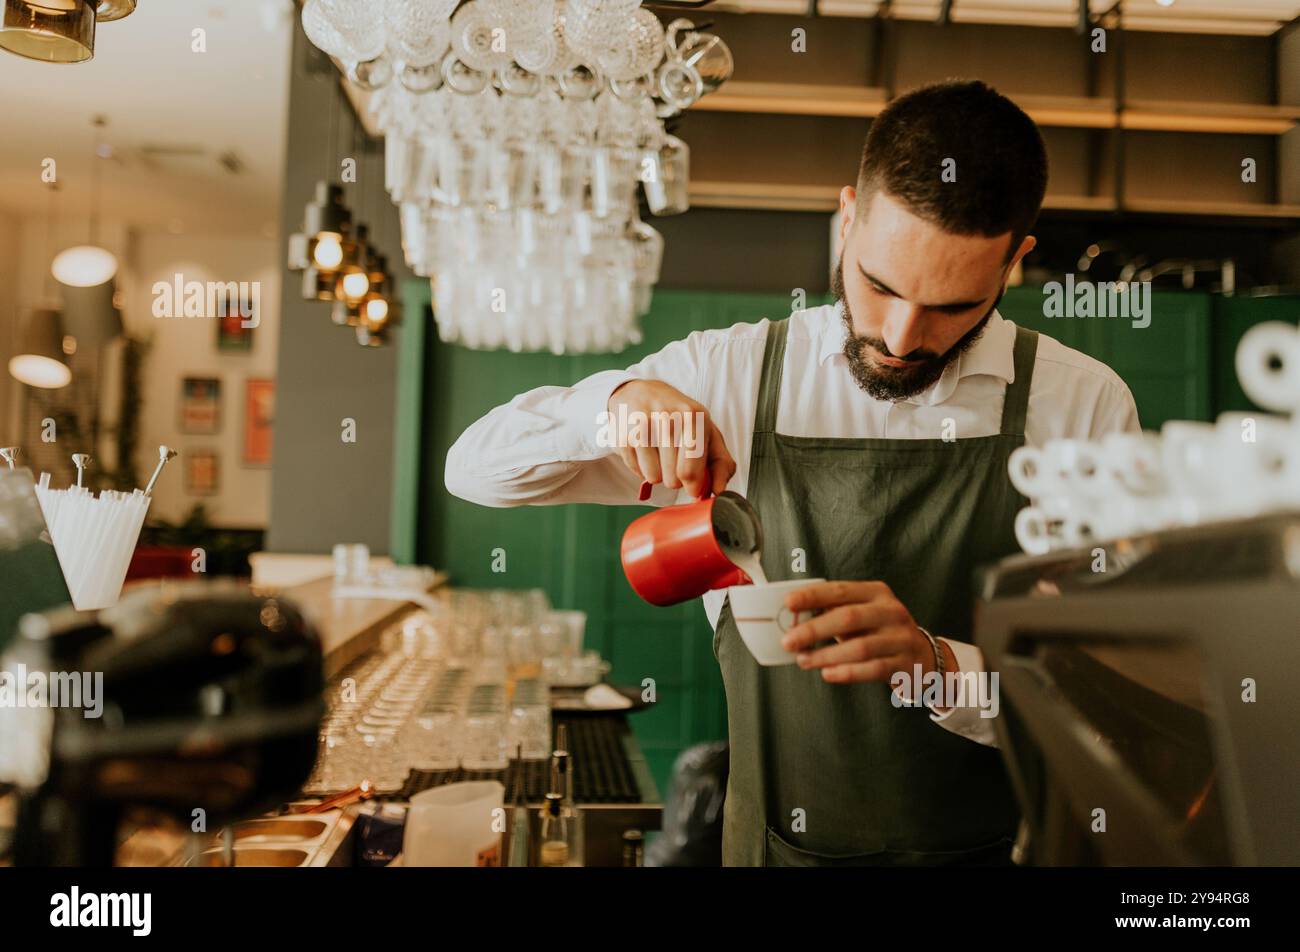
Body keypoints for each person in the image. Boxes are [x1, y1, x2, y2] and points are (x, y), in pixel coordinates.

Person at [446, 80, 1140, 866]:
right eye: (878, 285)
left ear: (1015, 261)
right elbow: (474, 469)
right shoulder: (732, 374)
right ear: (848, 219)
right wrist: (616, 404)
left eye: (952, 305)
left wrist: (939, 669)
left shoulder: (1080, 405)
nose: (903, 337)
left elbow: (1096, 705)